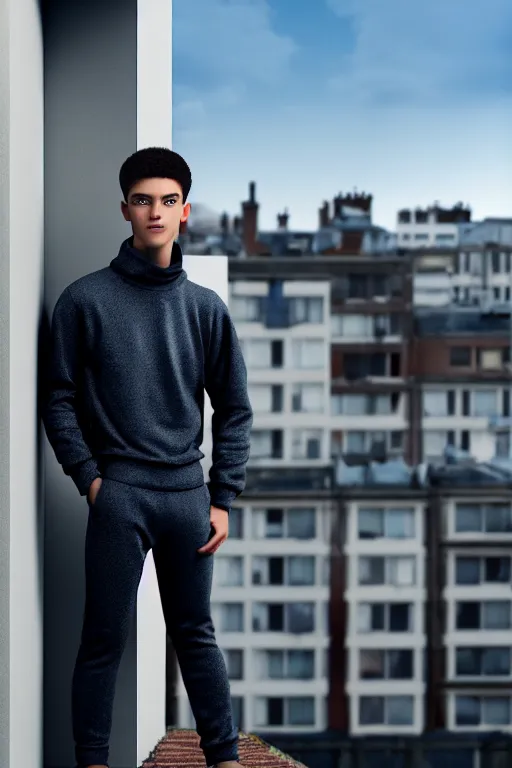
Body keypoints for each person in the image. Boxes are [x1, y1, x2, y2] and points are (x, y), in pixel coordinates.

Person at [42, 146, 253, 768]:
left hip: (189, 497)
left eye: (166, 201)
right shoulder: (84, 302)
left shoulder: (205, 309)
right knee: (103, 640)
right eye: (142, 200)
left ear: (184, 211)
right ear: (125, 210)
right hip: (120, 495)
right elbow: (57, 400)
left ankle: (227, 760)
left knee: (195, 635)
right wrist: (90, 480)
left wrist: (223, 498)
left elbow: (235, 409)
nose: (154, 212)